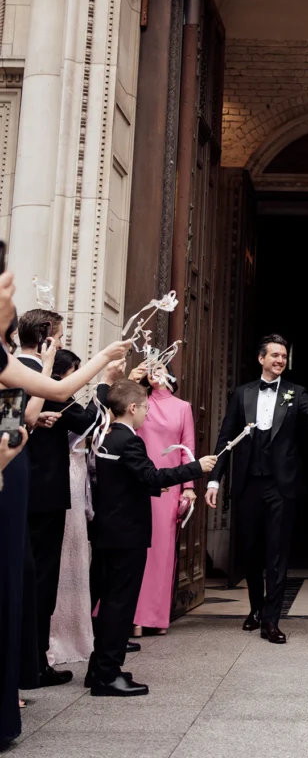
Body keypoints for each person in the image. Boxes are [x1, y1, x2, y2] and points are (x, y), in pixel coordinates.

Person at [0, 269, 130, 748]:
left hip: (13, 473)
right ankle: (26, 671)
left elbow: (25, 416)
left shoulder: (12, 363)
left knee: (18, 582)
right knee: (23, 581)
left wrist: (17, 436)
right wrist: (102, 363)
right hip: (28, 484)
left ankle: (18, 680)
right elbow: (46, 400)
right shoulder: (29, 366)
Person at [206, 333, 308, 644]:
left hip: (282, 486)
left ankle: (272, 620)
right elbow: (226, 439)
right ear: (261, 359)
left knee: (277, 553)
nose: (280, 360)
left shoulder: (296, 393)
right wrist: (215, 478)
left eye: (283, 356)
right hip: (247, 485)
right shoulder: (242, 393)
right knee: (251, 552)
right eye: (274, 356)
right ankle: (255, 609)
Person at [87, 380, 216, 696]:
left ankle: (98, 667)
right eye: (144, 407)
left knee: (107, 603)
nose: (147, 413)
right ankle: (108, 675)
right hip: (127, 534)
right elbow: (152, 475)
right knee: (120, 604)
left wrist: (149, 486)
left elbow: (122, 481)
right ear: (132, 408)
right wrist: (194, 468)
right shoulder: (130, 442)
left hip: (106, 531)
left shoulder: (104, 437)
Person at [17, 312, 121, 688]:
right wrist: (105, 380)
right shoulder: (38, 378)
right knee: (40, 581)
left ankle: (29, 661)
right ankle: (34, 663)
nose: (61, 342)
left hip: (25, 489)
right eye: (59, 336)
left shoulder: (22, 371)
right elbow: (89, 421)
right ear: (48, 340)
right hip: (42, 492)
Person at [48, 350, 122, 667]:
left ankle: (78, 629)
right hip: (64, 479)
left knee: (78, 553)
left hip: (76, 479)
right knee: (67, 555)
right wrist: (105, 383)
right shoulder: (53, 392)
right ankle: (61, 634)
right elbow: (89, 421)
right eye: (76, 372)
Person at [128, 362, 197, 636]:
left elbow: (188, 448)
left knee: (162, 552)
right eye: (150, 368)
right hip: (140, 481)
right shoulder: (138, 401)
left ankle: (155, 617)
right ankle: (133, 617)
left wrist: (189, 487)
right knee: (137, 549)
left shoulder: (183, 407)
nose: (154, 372)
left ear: (170, 374)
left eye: (159, 367)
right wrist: (132, 378)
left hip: (169, 486)